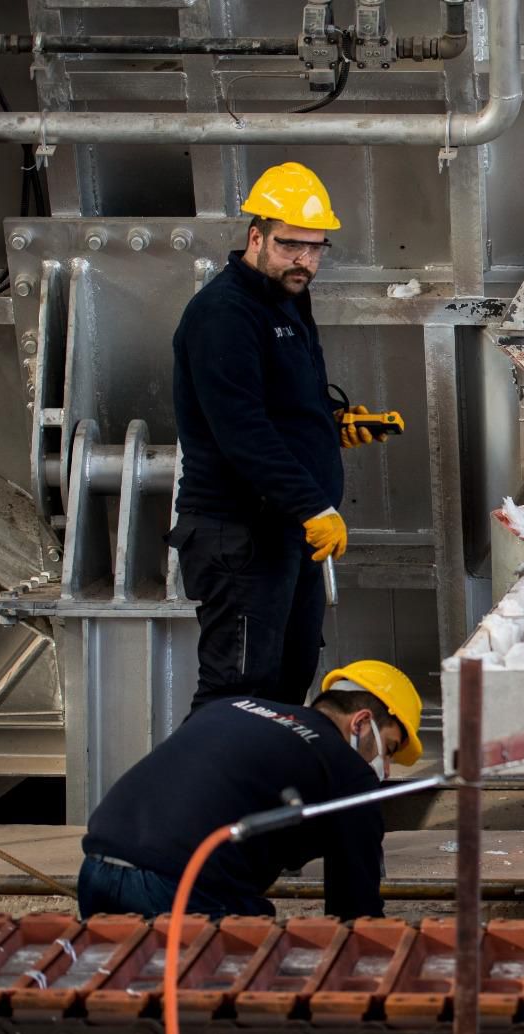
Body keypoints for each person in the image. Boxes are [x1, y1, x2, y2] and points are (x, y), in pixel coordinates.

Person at [166, 162, 400, 709]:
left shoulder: (288, 300)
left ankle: (269, 790)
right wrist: (313, 505)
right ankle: (218, 793)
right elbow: (241, 429)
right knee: (238, 691)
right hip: (239, 535)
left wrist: (332, 426)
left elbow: (282, 405)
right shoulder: (223, 315)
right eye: (292, 245)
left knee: (289, 679)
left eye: (317, 248)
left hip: (285, 531)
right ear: (257, 236)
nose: (306, 261)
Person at [78, 660, 424, 920]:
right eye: (389, 750)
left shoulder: (232, 707)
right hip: (176, 891)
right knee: (257, 973)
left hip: (95, 870)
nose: (386, 768)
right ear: (361, 722)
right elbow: (354, 909)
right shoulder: (349, 771)